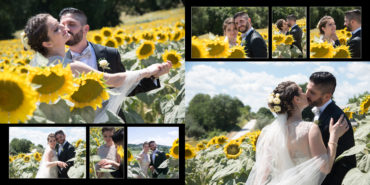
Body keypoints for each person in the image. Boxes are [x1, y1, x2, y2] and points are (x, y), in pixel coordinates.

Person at [24, 13, 171, 122]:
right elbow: (113, 81)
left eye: (58, 23)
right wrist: (147, 71)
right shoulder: (71, 67)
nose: (63, 27)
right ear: (47, 43)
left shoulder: (40, 70)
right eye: (56, 29)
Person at [246, 81, 350, 185]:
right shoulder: (310, 129)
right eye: (302, 91)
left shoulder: (271, 132)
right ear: (297, 99)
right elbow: (325, 168)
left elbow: (263, 172)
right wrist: (334, 137)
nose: (306, 94)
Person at [306, 72, 356, 185]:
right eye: (307, 89)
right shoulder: (318, 109)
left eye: (312, 92)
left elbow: (345, 162)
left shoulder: (337, 118)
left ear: (327, 96)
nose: (306, 94)